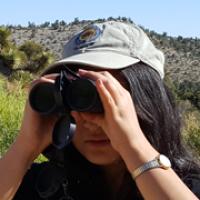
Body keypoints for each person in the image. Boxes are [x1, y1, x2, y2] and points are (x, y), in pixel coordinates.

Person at [0, 20, 199, 200]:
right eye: (80, 98)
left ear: (148, 100)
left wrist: (134, 147)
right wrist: (24, 148)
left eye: (108, 101)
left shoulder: (188, 187)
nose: (91, 122)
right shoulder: (46, 185)